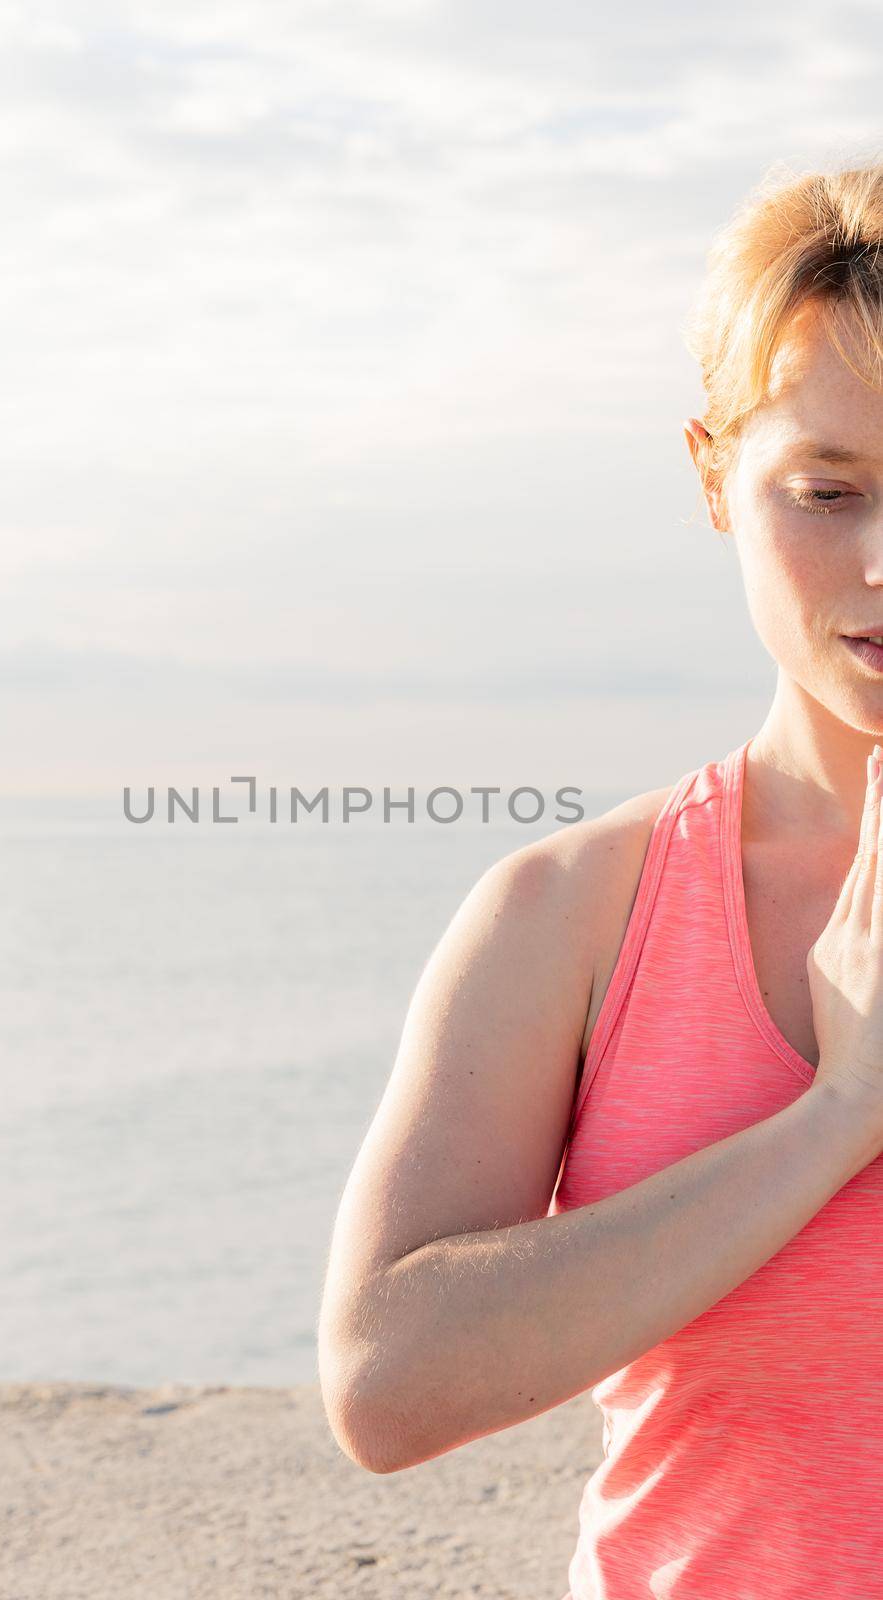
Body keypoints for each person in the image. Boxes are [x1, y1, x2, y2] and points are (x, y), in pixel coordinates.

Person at [316, 155, 883, 1597]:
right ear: (713, 478)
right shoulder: (574, 910)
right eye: (829, 490)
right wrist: (835, 1119)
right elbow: (390, 1384)